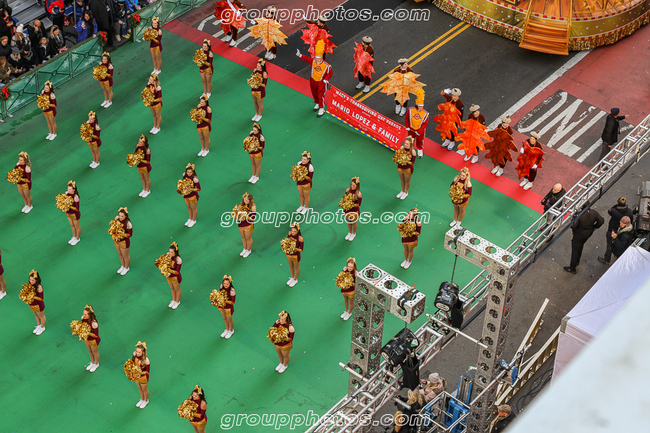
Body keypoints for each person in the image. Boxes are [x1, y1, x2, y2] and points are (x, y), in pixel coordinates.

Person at [564, 202, 604, 274]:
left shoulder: (579, 215)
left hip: (578, 234)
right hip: (588, 233)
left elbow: (573, 226)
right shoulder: (594, 213)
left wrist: (573, 219)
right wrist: (595, 227)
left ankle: (572, 267)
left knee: (575, 250)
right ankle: (577, 261)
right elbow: (601, 221)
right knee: (581, 245)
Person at [297, 40, 332, 117]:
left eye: (319, 58)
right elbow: (307, 59)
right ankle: (317, 103)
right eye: (316, 58)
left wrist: (326, 79)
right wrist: (300, 55)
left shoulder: (326, 65)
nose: (317, 60)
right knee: (314, 93)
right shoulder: (313, 61)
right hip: (313, 80)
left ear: (322, 57)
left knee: (320, 95)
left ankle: (321, 108)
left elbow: (330, 73)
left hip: (321, 82)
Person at [598, 197, 634, 264]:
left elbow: (610, 210)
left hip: (613, 230)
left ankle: (607, 259)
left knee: (609, 245)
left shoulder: (614, 211)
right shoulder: (629, 211)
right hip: (620, 231)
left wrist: (616, 205)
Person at [405, 89, 429, 158]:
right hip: (411, 129)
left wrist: (419, 131)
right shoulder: (411, 110)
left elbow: (425, 124)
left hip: (419, 131)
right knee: (410, 140)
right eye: (420, 106)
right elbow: (406, 118)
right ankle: (410, 149)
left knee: (420, 141)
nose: (421, 108)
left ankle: (420, 149)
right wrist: (407, 126)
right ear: (417, 105)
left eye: (422, 106)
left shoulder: (425, 113)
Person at [113, 207, 133, 275]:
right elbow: (114, 226)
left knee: (125, 256)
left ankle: (126, 267)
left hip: (124, 242)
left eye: (122, 216)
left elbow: (130, 234)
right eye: (119, 215)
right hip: (116, 240)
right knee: (120, 254)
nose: (120, 217)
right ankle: (123, 266)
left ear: (125, 216)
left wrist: (121, 234)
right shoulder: (116, 218)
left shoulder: (128, 223)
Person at [81, 304, 101, 372]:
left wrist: (87, 332)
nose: (84, 315)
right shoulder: (83, 318)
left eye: (85, 314)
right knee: (90, 351)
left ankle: (96, 363)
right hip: (86, 339)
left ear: (90, 315)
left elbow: (96, 335)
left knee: (95, 353)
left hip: (93, 340)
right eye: (83, 314)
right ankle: (92, 362)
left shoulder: (94, 323)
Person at [26, 270, 46, 335]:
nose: (31, 281)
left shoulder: (39, 287)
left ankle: (42, 327)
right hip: (31, 303)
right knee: (36, 315)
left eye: (33, 280)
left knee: (41, 316)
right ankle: (38, 325)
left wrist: (33, 296)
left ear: (36, 280)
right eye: (30, 280)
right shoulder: (29, 284)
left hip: (38, 305)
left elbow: (41, 298)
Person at [342, 177, 362, 241]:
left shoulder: (359, 194)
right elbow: (345, 198)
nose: (352, 186)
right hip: (347, 209)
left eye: (354, 185)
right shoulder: (347, 190)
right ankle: (349, 232)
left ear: (357, 186)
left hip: (354, 210)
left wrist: (351, 204)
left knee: (353, 222)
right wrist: (344, 203)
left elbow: (358, 204)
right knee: (348, 221)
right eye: (351, 184)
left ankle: (353, 233)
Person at [284, 223, 304, 287]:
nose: (292, 232)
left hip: (295, 255)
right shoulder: (289, 233)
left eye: (294, 231)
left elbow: (301, 249)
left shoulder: (300, 238)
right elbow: (287, 241)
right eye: (292, 230)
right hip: (289, 253)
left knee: (296, 267)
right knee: (291, 265)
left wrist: (294, 248)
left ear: (298, 231)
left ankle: (295, 279)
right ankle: (292, 277)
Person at [237, 192, 256, 258]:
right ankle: (244, 249)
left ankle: (248, 250)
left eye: (247, 200)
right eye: (244, 200)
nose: (245, 201)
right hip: (241, 223)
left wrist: (246, 216)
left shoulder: (253, 207)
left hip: (248, 225)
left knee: (248, 238)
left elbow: (253, 218)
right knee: (243, 237)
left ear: (250, 200)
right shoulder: (242, 204)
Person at [132, 341, 150, 409]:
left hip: (143, 377)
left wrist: (139, 372)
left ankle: (146, 400)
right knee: (139, 387)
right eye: (137, 351)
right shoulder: (134, 354)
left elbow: (147, 371)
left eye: (139, 352)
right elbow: (132, 362)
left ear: (143, 352)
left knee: (144, 389)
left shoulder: (146, 360)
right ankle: (142, 399)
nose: (137, 353)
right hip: (136, 375)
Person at [166, 242, 182, 309]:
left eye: (171, 252)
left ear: (175, 252)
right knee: (172, 288)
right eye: (169, 251)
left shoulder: (178, 259)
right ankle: (173, 300)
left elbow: (177, 272)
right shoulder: (168, 255)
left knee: (177, 289)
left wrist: (169, 270)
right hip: (168, 276)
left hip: (175, 277)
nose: (169, 253)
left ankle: (177, 301)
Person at [64, 180, 81, 245]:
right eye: (68, 189)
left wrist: (69, 206)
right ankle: (74, 236)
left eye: (70, 189)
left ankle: (77, 238)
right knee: (72, 225)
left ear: (73, 190)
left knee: (77, 226)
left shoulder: (75, 197)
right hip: (68, 213)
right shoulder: (66, 194)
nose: (68, 190)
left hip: (74, 214)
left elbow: (77, 209)